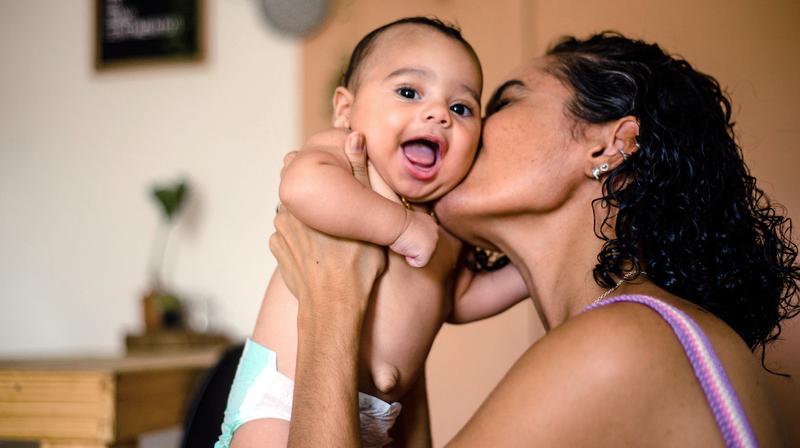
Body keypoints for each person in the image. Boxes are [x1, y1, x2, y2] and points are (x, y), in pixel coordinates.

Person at [269, 32, 799, 447]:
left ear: (607, 148)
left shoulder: (622, 344)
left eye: (494, 105)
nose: (463, 129)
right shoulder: (642, 327)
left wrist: (332, 300)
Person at [217, 17, 531, 448]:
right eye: (408, 92)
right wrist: (400, 227)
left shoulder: (443, 227)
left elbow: (456, 299)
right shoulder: (347, 160)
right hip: (283, 396)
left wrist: (526, 273)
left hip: (374, 422)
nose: (439, 113)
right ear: (346, 110)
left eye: (461, 108)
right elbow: (301, 187)